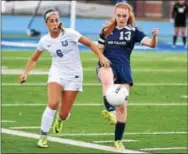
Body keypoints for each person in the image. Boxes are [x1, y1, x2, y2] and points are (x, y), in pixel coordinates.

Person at [19, 9, 111, 148]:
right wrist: (25, 73)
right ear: (46, 24)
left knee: (63, 114)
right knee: (53, 103)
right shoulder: (45, 40)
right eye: (51, 21)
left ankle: (60, 120)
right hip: (57, 72)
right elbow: (33, 59)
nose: (55, 23)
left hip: (74, 76)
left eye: (56, 20)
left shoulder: (70, 33)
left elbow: (90, 44)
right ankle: (43, 136)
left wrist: (102, 57)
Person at [96, 2, 158, 151]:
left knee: (122, 107)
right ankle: (110, 111)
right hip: (107, 64)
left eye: (124, 16)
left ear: (129, 15)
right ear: (115, 15)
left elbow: (151, 44)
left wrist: (154, 37)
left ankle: (118, 140)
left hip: (124, 68)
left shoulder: (134, 31)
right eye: (119, 15)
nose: (121, 18)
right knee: (107, 79)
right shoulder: (106, 30)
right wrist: (101, 58)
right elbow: (98, 49)